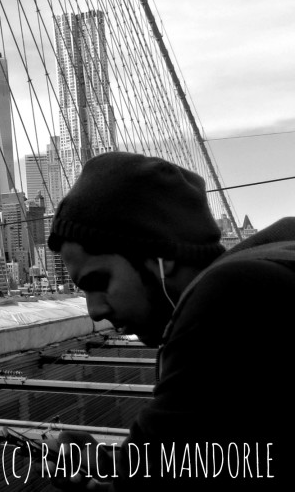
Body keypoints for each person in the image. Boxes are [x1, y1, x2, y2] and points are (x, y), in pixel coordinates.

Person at [43, 151, 294, 490]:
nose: (94, 311)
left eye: (98, 282)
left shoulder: (227, 298)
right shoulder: (268, 272)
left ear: (163, 257)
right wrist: (115, 463)